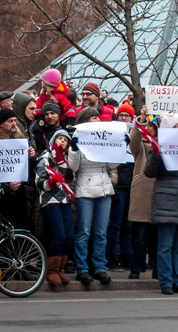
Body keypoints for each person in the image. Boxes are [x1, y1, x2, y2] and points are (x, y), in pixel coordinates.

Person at [145, 111, 178, 294]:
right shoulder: (161, 144)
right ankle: (166, 281)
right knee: (166, 243)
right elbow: (150, 172)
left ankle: (177, 280)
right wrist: (156, 155)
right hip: (167, 197)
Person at [67, 107, 119, 285]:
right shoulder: (78, 137)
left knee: (101, 231)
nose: (96, 121)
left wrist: (121, 146)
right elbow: (73, 167)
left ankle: (99, 267)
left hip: (104, 185)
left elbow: (112, 164)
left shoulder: (104, 136)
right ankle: (82, 268)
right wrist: (73, 149)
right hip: (85, 186)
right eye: (92, 118)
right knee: (84, 231)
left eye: (97, 118)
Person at [35, 129, 76, 286]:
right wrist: (50, 183)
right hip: (49, 200)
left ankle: (60, 269)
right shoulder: (45, 157)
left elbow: (69, 178)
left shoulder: (65, 158)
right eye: (59, 138)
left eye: (65, 140)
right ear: (53, 140)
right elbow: (39, 180)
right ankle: (51, 271)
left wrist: (63, 161)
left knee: (69, 235)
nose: (62, 142)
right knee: (59, 234)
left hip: (64, 199)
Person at [127, 105, 158, 279]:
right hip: (143, 193)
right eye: (146, 127)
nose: (148, 129)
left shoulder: (164, 144)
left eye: (151, 127)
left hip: (161, 194)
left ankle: (157, 269)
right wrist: (141, 118)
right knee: (141, 235)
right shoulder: (141, 148)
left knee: (158, 236)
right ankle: (136, 268)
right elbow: (134, 140)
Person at [106, 104, 135, 271]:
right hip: (119, 187)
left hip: (131, 186)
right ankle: (113, 257)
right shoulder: (113, 137)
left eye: (127, 116)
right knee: (115, 224)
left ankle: (126, 257)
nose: (124, 118)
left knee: (128, 225)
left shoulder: (135, 136)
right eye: (121, 115)